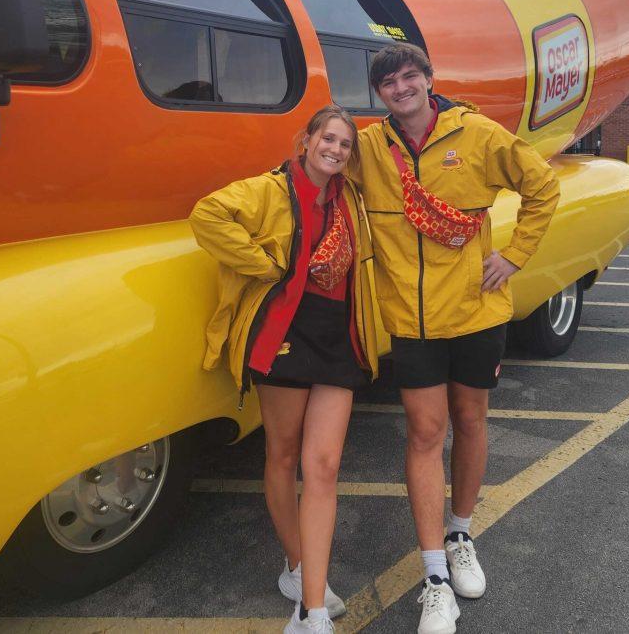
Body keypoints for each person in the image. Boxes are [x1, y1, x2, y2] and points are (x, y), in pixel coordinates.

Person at [351, 43, 559, 634]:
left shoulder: (480, 135)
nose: (401, 88)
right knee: (423, 431)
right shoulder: (368, 148)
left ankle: (461, 531)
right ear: (379, 94)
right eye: (388, 82)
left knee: (470, 420)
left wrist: (514, 256)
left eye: (409, 77)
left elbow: (542, 188)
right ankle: (435, 574)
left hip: (475, 313)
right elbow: (315, 172)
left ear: (429, 80)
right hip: (412, 320)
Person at [190, 104, 383, 634]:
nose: (336, 150)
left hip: (338, 341)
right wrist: (267, 265)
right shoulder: (270, 190)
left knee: (322, 467)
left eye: (345, 144)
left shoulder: (352, 200)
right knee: (282, 453)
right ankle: (296, 568)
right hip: (286, 338)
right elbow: (207, 215)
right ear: (306, 140)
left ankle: (311, 612)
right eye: (329, 139)